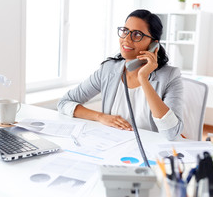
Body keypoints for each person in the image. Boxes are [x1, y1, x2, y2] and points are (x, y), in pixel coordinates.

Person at [57, 9, 183, 140]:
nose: (127, 39)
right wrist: (100, 117)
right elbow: (64, 103)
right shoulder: (108, 70)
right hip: (112, 146)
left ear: (153, 45)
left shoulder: (170, 76)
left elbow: (170, 133)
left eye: (137, 34)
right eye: (125, 31)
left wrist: (143, 79)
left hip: (150, 152)